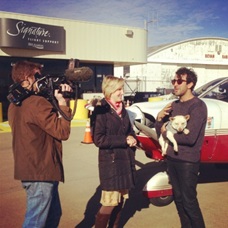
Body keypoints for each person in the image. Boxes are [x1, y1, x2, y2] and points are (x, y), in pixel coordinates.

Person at [8, 60, 72, 228]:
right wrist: (63, 103)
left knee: (52, 215)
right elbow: (62, 132)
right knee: (36, 221)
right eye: (37, 76)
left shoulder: (14, 105)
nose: (41, 79)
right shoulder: (36, 103)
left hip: (31, 170)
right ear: (26, 78)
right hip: (40, 172)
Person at [155, 67, 207, 228]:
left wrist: (166, 132)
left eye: (179, 81)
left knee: (189, 202)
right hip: (172, 159)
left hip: (187, 162)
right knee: (178, 200)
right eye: (174, 81)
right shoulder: (174, 106)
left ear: (190, 84)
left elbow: (190, 138)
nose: (175, 85)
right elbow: (161, 131)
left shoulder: (198, 106)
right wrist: (159, 119)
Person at [91, 75, 137, 228]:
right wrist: (124, 140)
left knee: (119, 202)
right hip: (111, 165)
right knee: (109, 203)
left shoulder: (121, 108)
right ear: (110, 90)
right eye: (119, 89)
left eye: (122, 89)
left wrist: (132, 137)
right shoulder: (101, 110)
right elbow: (99, 139)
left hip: (124, 162)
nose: (122, 92)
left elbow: (129, 130)